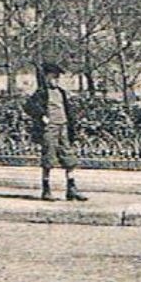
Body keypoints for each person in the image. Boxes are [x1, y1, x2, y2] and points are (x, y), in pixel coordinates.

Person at [22, 63, 85, 201]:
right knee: (48, 159)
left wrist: (71, 123)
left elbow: (67, 109)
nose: (56, 80)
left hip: (63, 127)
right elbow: (28, 106)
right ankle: (46, 189)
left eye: (58, 78)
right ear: (46, 78)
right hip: (49, 128)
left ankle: (71, 189)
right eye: (53, 78)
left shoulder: (61, 92)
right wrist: (41, 116)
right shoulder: (41, 93)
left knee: (69, 158)